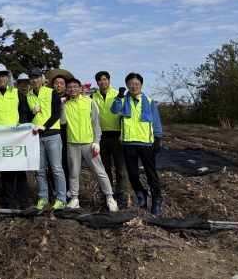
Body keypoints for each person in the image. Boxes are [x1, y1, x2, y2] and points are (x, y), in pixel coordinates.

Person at [111, 73, 163, 217]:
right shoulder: (122, 100)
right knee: (133, 173)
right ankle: (142, 198)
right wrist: (119, 97)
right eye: (131, 84)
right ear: (127, 85)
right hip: (128, 142)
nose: (134, 86)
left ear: (141, 85)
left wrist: (157, 139)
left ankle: (157, 202)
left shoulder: (149, 101)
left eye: (136, 84)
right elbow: (114, 110)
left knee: (151, 173)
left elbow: (156, 122)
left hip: (146, 143)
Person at [63, 78, 118, 212]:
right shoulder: (66, 104)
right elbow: (63, 122)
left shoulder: (89, 102)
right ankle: (75, 198)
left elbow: (96, 123)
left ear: (80, 88)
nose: (72, 89)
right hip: (72, 143)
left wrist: (96, 142)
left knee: (100, 171)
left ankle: (110, 197)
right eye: (69, 87)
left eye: (75, 86)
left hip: (88, 143)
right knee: (74, 173)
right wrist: (61, 108)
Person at [0, 64, 30, 210]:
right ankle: (10, 203)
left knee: (20, 172)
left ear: (8, 77)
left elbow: (23, 110)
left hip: (16, 137)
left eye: (3, 75)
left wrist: (21, 122)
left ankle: (24, 203)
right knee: (6, 172)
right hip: (0, 138)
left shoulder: (15, 93)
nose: (1, 78)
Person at [26, 68, 66, 211]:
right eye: (32, 78)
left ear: (42, 79)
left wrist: (45, 126)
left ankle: (61, 199)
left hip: (52, 134)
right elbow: (28, 117)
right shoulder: (29, 95)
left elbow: (57, 113)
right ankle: (43, 197)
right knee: (39, 170)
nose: (35, 80)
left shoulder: (51, 92)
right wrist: (32, 112)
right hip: (36, 137)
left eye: (37, 77)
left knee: (56, 168)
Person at [92, 71, 127, 205]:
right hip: (101, 136)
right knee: (104, 167)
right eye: (100, 80)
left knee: (120, 166)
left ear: (109, 80)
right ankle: (108, 192)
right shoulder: (93, 97)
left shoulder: (118, 95)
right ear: (97, 83)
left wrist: (123, 134)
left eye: (105, 79)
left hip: (117, 135)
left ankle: (121, 192)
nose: (103, 82)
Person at [48, 74, 70, 196]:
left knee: (65, 163)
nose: (59, 86)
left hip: (67, 134)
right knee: (52, 163)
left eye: (62, 83)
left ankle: (67, 190)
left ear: (66, 86)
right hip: (52, 132)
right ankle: (55, 189)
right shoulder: (49, 96)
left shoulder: (70, 97)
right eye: (56, 83)